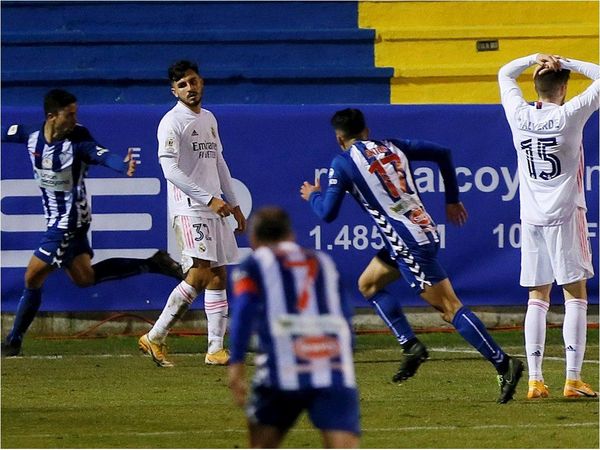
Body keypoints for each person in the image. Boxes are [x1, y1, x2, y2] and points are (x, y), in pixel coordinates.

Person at [300, 108, 524, 403]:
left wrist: (312, 195)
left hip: (408, 243)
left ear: (339, 138)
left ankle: (504, 363)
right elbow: (442, 152)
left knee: (449, 308)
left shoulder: (342, 163)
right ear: (366, 131)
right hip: (420, 231)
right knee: (368, 285)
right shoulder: (393, 145)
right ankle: (410, 345)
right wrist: (452, 199)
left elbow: (327, 213)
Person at [1, 89, 183, 357]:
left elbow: (101, 154)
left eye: (76, 113)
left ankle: (13, 342)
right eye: (69, 115)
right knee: (84, 278)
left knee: (32, 276)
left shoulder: (78, 140)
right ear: (52, 116)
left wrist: (121, 165)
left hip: (69, 220)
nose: (74, 119)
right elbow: (5, 132)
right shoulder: (30, 135)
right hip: (58, 219)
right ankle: (152, 263)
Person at [498, 53, 599, 399]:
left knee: (537, 296)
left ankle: (536, 381)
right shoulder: (570, 114)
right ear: (565, 88)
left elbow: (504, 73)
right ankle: (572, 379)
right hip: (567, 215)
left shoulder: (519, 113)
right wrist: (568, 60)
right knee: (575, 294)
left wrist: (533, 58)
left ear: (535, 87)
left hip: (532, 218)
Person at [138, 60, 246, 367]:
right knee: (200, 272)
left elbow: (219, 162)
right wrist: (208, 198)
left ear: (202, 82)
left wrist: (234, 203)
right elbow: (169, 168)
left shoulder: (209, 119)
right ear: (174, 90)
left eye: (193, 81)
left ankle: (215, 350)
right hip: (189, 208)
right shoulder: (171, 122)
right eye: (183, 84)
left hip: (214, 207)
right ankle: (155, 336)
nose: (190, 88)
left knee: (218, 274)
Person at [227, 207, 359, 448]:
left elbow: (243, 309)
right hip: (331, 365)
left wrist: (236, 364)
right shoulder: (324, 261)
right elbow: (345, 314)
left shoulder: (252, 264)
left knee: (261, 444)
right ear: (291, 235)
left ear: (254, 239)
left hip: (280, 370)